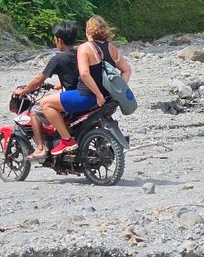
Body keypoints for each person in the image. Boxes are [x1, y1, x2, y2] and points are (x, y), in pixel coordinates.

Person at [40, 15, 132, 156]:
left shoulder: (84, 48)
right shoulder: (112, 48)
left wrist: (97, 94)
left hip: (86, 97)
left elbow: (84, 74)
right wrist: (117, 90)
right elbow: (127, 70)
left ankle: (66, 140)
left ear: (88, 31)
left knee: (45, 103)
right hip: (108, 98)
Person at [14, 21, 79, 159]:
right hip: (82, 93)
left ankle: (40, 148)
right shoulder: (81, 53)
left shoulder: (58, 58)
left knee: (35, 111)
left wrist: (24, 91)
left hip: (73, 98)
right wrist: (60, 84)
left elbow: (39, 80)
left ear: (59, 40)